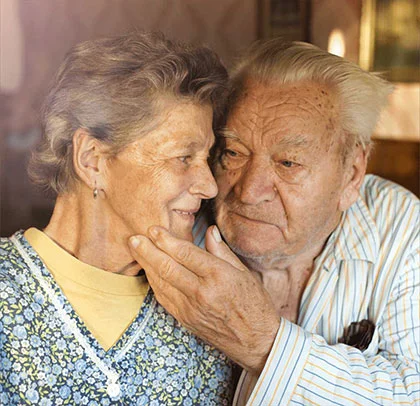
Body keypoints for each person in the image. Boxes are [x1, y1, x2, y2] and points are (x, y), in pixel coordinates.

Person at [129, 39, 420, 405]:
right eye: (233, 153)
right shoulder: (174, 220)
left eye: (288, 163)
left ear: (352, 173)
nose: (249, 191)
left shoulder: (401, 228)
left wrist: (264, 342)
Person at [0, 32, 236, 405]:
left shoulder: (206, 310)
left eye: (206, 158)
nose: (208, 185)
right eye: (183, 157)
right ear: (92, 160)